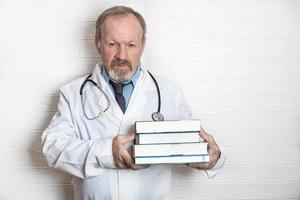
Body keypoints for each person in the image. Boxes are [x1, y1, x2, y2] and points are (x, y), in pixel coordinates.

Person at [41, 6, 226, 200]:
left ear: (143, 45)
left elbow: (199, 144)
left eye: (131, 45)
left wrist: (214, 155)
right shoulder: (72, 94)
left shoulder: (169, 92)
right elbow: (52, 148)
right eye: (112, 44)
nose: (122, 55)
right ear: (97, 43)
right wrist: (105, 152)